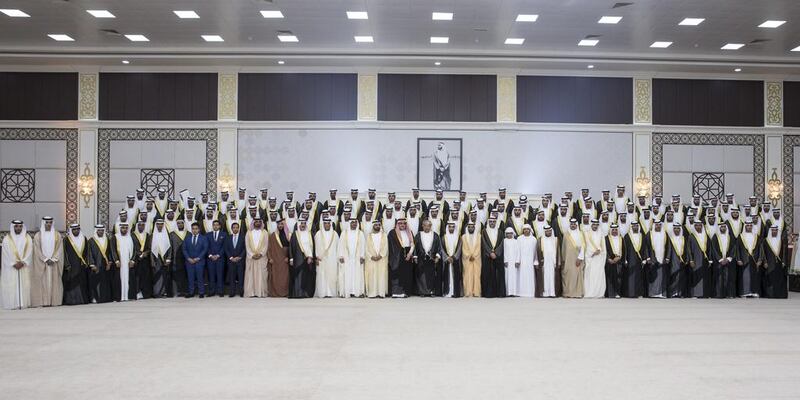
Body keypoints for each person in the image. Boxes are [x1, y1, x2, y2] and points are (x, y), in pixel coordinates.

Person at [31, 216, 63, 307]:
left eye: (50, 223)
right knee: (43, 282)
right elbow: (36, 249)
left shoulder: (57, 235)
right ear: (43, 223)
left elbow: (59, 249)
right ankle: (44, 302)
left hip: (54, 263)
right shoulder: (38, 235)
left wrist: (53, 259)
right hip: (42, 263)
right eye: (47, 223)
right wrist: (45, 259)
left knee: (54, 282)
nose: (48, 224)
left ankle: (54, 301)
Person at [1, 220, 33, 309]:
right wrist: (13, 263)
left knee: (25, 284)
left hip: (24, 266)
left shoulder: (28, 238)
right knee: (11, 284)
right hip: (12, 267)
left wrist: (23, 262)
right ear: (13, 227)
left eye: (20, 226)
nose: (18, 228)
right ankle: (13, 303)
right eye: (16, 226)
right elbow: (5, 253)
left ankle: (23, 303)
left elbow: (30, 252)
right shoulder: (7, 239)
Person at [387, 218, 415, 297]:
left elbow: (412, 244)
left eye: (404, 223)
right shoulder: (392, 233)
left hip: (407, 256)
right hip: (396, 257)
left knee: (406, 274)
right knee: (396, 274)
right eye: (400, 223)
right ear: (397, 224)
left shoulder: (409, 232)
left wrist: (409, 254)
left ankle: (405, 292)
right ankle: (396, 292)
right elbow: (390, 246)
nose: (402, 225)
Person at [337, 218, 365, 297]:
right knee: (346, 275)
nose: (354, 224)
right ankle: (346, 292)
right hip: (347, 258)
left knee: (358, 275)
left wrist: (362, 256)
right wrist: (341, 255)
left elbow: (363, 245)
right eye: (352, 223)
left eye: (355, 223)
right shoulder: (344, 233)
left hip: (357, 258)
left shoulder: (360, 233)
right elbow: (340, 245)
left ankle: (358, 292)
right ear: (349, 223)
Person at [87, 224, 115, 304]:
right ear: (96, 231)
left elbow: (110, 252)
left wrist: (109, 263)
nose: (101, 232)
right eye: (99, 230)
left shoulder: (107, 240)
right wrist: (92, 265)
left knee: (105, 282)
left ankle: (105, 298)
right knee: (96, 283)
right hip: (96, 265)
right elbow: (89, 253)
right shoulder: (91, 241)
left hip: (105, 265)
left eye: (102, 230)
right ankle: (95, 298)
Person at [414, 219, 443, 296]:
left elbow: (439, 247)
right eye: (425, 226)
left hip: (432, 259)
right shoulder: (418, 235)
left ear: (431, 226)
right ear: (422, 226)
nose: (427, 227)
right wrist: (415, 257)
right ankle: (422, 292)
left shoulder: (435, 235)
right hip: (421, 258)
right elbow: (415, 247)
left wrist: (437, 257)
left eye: (428, 226)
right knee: (421, 275)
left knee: (431, 275)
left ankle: (431, 291)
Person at [289, 220, 316, 298]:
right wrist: (291, 258)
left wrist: (310, 257)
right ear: (298, 225)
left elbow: (311, 246)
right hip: (298, 258)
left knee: (306, 276)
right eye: (301, 224)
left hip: (307, 258)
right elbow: (291, 247)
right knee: (298, 276)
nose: (303, 225)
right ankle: (298, 293)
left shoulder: (309, 234)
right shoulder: (295, 234)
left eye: (304, 224)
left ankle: (305, 293)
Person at [314, 218, 340, 298]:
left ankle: (331, 293)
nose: (327, 225)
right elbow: (315, 247)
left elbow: (338, 247)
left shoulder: (335, 234)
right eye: (325, 223)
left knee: (332, 275)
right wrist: (316, 257)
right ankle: (322, 292)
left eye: (328, 223)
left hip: (332, 259)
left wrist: (338, 258)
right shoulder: (318, 234)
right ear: (323, 224)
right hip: (321, 259)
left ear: (331, 224)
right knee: (322, 275)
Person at [709, 223, 736, 299]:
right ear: (719, 228)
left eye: (724, 227)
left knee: (729, 277)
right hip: (718, 261)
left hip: (728, 261)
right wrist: (720, 259)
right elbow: (714, 249)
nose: (723, 228)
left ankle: (729, 294)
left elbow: (734, 248)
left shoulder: (730, 237)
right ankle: (718, 294)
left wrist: (728, 258)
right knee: (718, 278)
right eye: (722, 227)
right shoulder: (715, 237)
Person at [736, 220, 762, 298]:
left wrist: (760, 259)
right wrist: (738, 259)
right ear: (745, 226)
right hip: (744, 259)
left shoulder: (756, 236)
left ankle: (754, 291)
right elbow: (737, 249)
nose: (749, 227)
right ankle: (745, 292)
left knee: (755, 276)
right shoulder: (740, 236)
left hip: (754, 259)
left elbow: (761, 249)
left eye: (751, 226)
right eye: (748, 225)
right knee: (745, 276)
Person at [481, 217, 505, 298]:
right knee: (488, 274)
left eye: (493, 222)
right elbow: (483, 243)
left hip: (498, 257)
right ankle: (489, 293)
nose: (492, 223)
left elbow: (502, 243)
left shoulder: (500, 232)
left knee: (498, 275)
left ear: (496, 222)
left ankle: (499, 293)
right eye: (490, 222)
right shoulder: (484, 231)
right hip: (487, 256)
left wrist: (496, 253)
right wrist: (490, 253)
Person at [244, 219, 269, 298]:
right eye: (256, 222)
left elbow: (266, 245)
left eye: (259, 222)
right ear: (253, 223)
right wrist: (252, 255)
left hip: (262, 258)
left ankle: (261, 292)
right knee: (250, 275)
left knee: (262, 275)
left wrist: (261, 254)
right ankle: (251, 292)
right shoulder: (248, 232)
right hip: (251, 258)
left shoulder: (265, 233)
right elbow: (247, 245)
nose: (257, 223)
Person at [762, 225, 788, 299]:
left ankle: (780, 295)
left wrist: (784, 261)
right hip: (770, 264)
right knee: (771, 279)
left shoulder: (781, 240)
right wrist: (765, 262)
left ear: (777, 231)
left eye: (776, 230)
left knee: (780, 279)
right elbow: (763, 253)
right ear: (770, 231)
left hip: (779, 264)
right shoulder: (766, 241)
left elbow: (784, 252)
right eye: (773, 230)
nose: (774, 232)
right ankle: (771, 295)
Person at [364, 220, 389, 298]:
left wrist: (381, 255)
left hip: (381, 259)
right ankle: (372, 293)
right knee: (372, 276)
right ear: (373, 226)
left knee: (381, 276)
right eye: (376, 225)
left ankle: (381, 293)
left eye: (379, 225)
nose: (377, 226)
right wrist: (371, 256)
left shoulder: (384, 235)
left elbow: (386, 247)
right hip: (371, 260)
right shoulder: (369, 236)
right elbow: (366, 248)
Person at [621, 222, 646, 298]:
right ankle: (629, 293)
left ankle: (638, 293)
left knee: (639, 277)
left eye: (636, 226)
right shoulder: (627, 236)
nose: (635, 227)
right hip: (630, 260)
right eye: (634, 226)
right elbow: (624, 249)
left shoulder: (642, 236)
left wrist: (644, 259)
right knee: (629, 277)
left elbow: (645, 248)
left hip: (639, 260)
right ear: (631, 227)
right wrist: (624, 259)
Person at [183, 222, 208, 298]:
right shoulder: (187, 238)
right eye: (193, 229)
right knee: (190, 278)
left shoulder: (203, 238)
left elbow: (205, 249)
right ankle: (191, 292)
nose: (194, 230)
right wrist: (188, 258)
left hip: (199, 261)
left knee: (200, 277)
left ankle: (201, 292)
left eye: (196, 229)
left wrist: (198, 258)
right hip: (189, 261)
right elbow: (184, 249)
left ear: (199, 229)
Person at [582, 220, 606, 298]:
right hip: (590, 258)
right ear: (591, 225)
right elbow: (585, 245)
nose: (595, 226)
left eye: (596, 225)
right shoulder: (586, 234)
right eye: (593, 225)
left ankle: (599, 293)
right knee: (590, 276)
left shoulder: (601, 234)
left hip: (599, 258)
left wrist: (599, 251)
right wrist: (592, 253)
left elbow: (603, 246)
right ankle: (589, 293)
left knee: (598, 276)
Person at [267, 219, 291, 297]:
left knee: (285, 277)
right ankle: (276, 292)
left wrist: (288, 257)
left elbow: (292, 247)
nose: (280, 226)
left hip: (285, 259)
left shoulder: (289, 235)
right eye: (279, 224)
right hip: (276, 259)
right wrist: (270, 258)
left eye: (282, 224)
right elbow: (269, 248)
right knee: (276, 276)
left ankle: (285, 292)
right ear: (277, 225)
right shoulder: (273, 235)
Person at [645, 220, 669, 298]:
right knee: (653, 276)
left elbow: (668, 247)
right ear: (654, 225)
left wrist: (667, 257)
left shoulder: (665, 234)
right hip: (652, 259)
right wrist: (648, 257)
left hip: (662, 258)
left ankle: (661, 293)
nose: (658, 226)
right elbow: (646, 247)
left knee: (662, 276)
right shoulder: (650, 234)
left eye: (659, 225)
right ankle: (653, 293)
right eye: (656, 225)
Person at [561, 219, 584, 298]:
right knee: (568, 275)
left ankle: (577, 293)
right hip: (568, 259)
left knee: (578, 275)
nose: (573, 225)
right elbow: (563, 248)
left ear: (576, 225)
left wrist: (580, 258)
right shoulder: (566, 234)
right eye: (571, 224)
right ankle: (568, 293)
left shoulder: (581, 234)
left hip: (578, 258)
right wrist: (563, 260)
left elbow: (583, 247)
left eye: (574, 224)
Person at [687, 220, 710, 298]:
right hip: (695, 260)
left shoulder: (706, 236)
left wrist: (710, 259)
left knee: (704, 276)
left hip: (704, 260)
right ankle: (696, 294)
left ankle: (704, 294)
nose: (698, 227)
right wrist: (691, 260)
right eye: (696, 225)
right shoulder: (691, 236)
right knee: (696, 276)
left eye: (700, 225)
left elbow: (710, 248)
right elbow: (688, 249)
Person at [114, 223, 136, 301]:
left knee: (129, 278)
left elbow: (134, 250)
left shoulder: (130, 237)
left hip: (128, 263)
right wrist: (116, 260)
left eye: (126, 228)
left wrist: (132, 260)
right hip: (119, 263)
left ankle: (128, 296)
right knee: (119, 279)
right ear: (120, 228)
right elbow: (113, 250)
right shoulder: (115, 237)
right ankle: (119, 297)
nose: (124, 229)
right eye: (123, 228)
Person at [150, 220, 172, 298]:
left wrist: (169, 258)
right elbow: (151, 250)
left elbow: (170, 248)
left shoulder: (166, 235)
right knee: (157, 276)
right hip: (156, 259)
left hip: (165, 259)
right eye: (158, 224)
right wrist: (152, 260)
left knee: (164, 276)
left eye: (161, 224)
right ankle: (156, 292)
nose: (159, 226)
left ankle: (163, 292)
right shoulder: (152, 235)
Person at [440, 222, 463, 298]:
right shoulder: (444, 237)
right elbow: (441, 249)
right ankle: (448, 292)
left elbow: (459, 248)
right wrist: (447, 257)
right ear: (447, 228)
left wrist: (454, 257)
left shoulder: (458, 237)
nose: (451, 228)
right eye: (450, 227)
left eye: (453, 227)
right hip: (446, 260)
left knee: (455, 276)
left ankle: (455, 292)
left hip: (455, 260)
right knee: (447, 276)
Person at [225, 222, 246, 297]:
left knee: (241, 277)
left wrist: (239, 257)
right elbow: (226, 249)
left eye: (237, 227)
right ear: (231, 229)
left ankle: (241, 292)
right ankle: (232, 292)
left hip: (240, 260)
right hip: (231, 261)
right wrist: (231, 258)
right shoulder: (228, 237)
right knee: (232, 277)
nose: (235, 229)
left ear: (239, 228)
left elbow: (244, 249)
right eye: (234, 227)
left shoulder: (243, 237)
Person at [205, 220, 226, 297]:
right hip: (210, 259)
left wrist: (218, 255)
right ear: (212, 226)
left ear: (220, 226)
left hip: (220, 258)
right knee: (211, 275)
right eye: (214, 225)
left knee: (220, 275)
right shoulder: (207, 235)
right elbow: (206, 247)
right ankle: (212, 291)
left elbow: (224, 247)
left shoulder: (224, 234)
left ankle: (220, 291)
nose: (216, 226)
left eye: (217, 225)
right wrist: (210, 255)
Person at [667, 223, 688, 298]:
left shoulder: (683, 238)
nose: (676, 230)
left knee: (681, 277)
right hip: (673, 260)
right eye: (675, 229)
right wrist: (668, 258)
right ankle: (673, 292)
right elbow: (669, 249)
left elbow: (687, 249)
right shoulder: (671, 239)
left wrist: (687, 259)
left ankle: (680, 292)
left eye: (678, 229)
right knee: (674, 275)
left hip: (682, 260)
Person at [460, 222, 481, 297]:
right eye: (469, 227)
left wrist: (474, 256)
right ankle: (467, 292)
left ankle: (476, 292)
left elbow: (479, 248)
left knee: (476, 275)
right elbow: (463, 248)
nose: (471, 228)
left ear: (474, 228)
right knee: (467, 275)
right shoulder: (463, 237)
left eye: (472, 227)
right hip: (467, 260)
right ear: (467, 228)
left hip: (476, 259)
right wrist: (469, 256)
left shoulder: (479, 236)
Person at [132, 221, 152, 299]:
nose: (141, 227)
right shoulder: (133, 235)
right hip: (136, 259)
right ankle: (137, 292)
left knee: (145, 276)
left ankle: (145, 293)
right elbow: (132, 247)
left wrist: (145, 253)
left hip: (145, 259)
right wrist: (138, 254)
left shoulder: (147, 235)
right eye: (139, 225)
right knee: (137, 277)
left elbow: (149, 247)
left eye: (143, 225)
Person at [169, 219, 189, 297]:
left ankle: (186, 290)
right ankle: (180, 291)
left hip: (187, 258)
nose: (180, 224)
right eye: (178, 223)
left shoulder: (188, 233)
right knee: (178, 275)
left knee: (186, 275)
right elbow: (170, 247)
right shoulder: (172, 234)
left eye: (181, 223)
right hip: (176, 258)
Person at [604, 224, 624, 298]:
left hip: (618, 261)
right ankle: (609, 294)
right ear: (610, 230)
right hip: (609, 261)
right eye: (613, 230)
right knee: (609, 277)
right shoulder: (606, 238)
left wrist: (618, 258)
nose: (614, 231)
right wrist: (609, 259)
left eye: (616, 230)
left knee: (618, 278)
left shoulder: (621, 239)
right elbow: (605, 250)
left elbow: (623, 250)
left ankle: (617, 293)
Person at [502, 227, 520, 297]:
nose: (509, 235)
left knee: (514, 277)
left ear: (513, 234)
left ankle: (514, 292)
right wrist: (505, 260)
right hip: (507, 263)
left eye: (510, 233)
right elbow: (504, 252)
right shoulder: (504, 241)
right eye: (507, 233)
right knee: (507, 277)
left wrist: (517, 261)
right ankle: (507, 292)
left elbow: (518, 251)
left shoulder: (516, 241)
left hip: (514, 262)